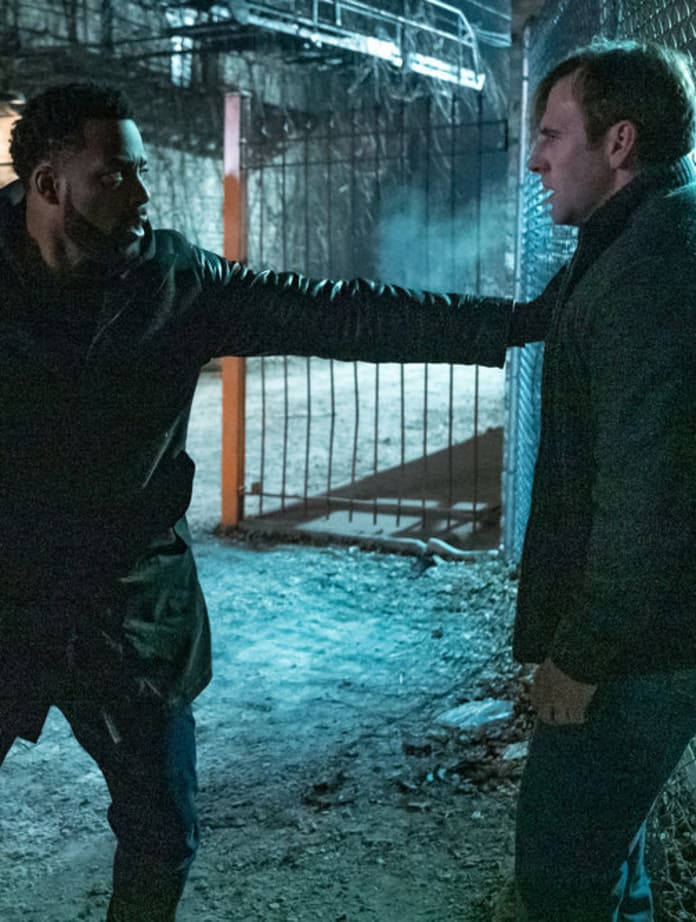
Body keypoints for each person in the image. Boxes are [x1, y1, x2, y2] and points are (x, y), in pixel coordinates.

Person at [0, 82, 518, 921]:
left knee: (162, 834)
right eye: (116, 175)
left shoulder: (174, 281)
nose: (141, 194)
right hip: (7, 598)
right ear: (50, 184)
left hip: (130, 610)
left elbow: (341, 317)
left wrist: (515, 325)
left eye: (142, 171)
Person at [506, 39, 696, 921]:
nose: (536, 159)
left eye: (551, 135)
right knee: (608, 864)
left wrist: (579, 657)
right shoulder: (645, 232)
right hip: (652, 636)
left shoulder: (649, 270)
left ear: (619, 142)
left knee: (559, 878)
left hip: (639, 649)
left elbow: (649, 497)